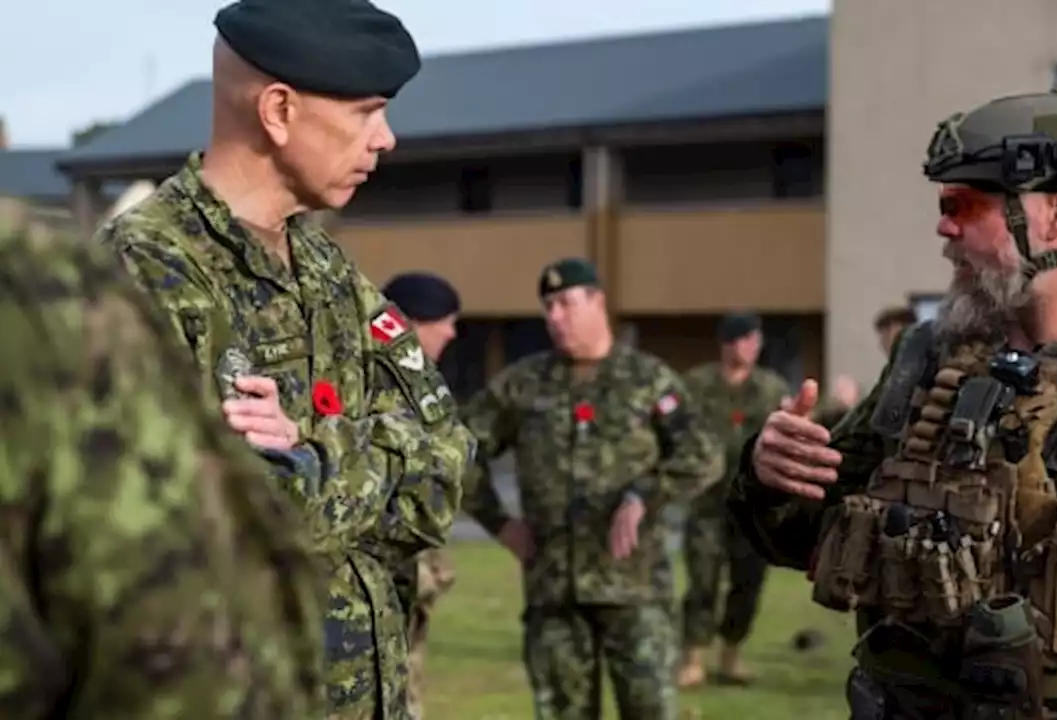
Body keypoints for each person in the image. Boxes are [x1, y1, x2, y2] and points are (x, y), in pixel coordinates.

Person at [728, 75, 1057, 718]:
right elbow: (804, 541)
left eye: (964, 204)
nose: (942, 227)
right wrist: (768, 476)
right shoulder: (924, 362)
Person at [95, 1, 477, 718]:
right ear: (277, 110)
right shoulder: (147, 269)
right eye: (367, 112)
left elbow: (446, 462)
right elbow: (205, 523)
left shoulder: (325, 267)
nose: (386, 139)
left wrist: (312, 455)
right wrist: (341, 475)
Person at [0, 224, 326, 718]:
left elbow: (443, 449)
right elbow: (172, 641)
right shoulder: (48, 282)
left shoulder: (324, 266)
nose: (382, 141)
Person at [462, 258, 723, 720]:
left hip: (636, 591)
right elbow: (458, 450)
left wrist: (646, 494)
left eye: (565, 303)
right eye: (548, 307)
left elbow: (703, 454)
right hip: (554, 592)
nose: (554, 317)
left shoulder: (647, 378)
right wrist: (499, 522)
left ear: (598, 301)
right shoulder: (523, 384)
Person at [676, 312, 790, 688]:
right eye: (743, 340)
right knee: (702, 581)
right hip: (707, 503)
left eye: (755, 341)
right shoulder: (696, 385)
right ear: (727, 344)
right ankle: (693, 657)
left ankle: (731, 655)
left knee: (748, 580)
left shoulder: (771, 389)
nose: (750, 348)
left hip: (752, 505)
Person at [381, 271, 462, 703]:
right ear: (412, 322)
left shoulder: (421, 390)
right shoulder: (378, 388)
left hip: (411, 582)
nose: (451, 331)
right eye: (444, 320)